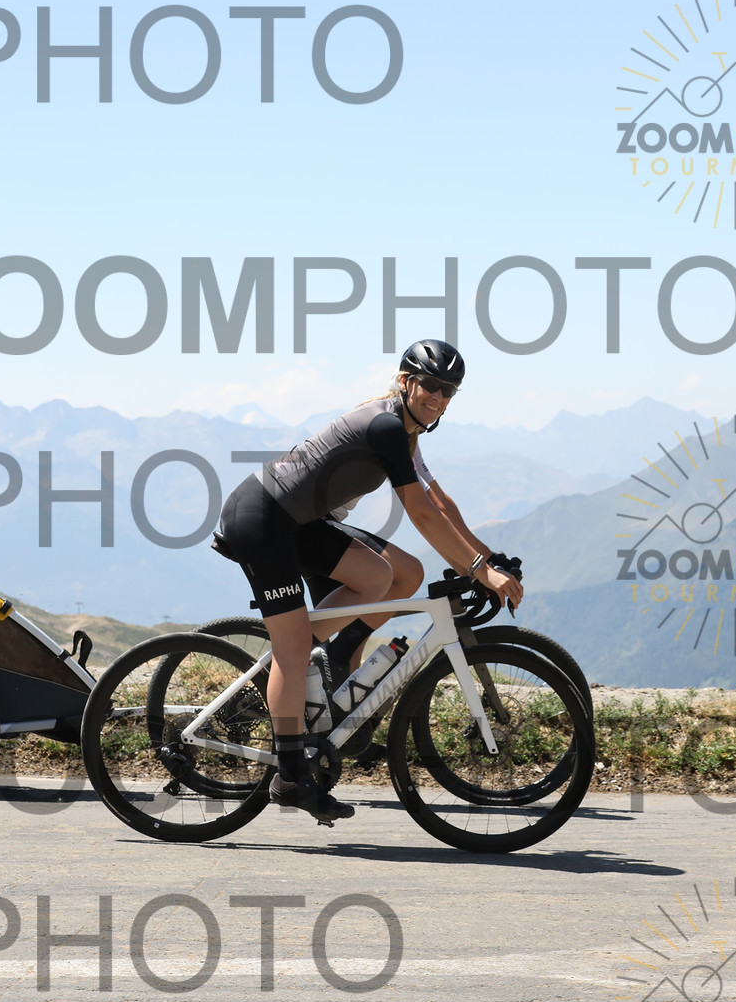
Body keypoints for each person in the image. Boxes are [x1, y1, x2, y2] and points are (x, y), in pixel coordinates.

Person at [214, 339, 524, 824]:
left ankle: (330, 654)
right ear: (405, 382)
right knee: (292, 650)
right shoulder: (385, 426)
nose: (439, 396)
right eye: (431, 384)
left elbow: (438, 502)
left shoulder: (406, 433)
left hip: (300, 523)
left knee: (388, 575)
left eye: (449, 390)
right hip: (261, 520)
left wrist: (488, 556)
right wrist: (478, 570)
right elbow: (420, 513)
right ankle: (290, 777)